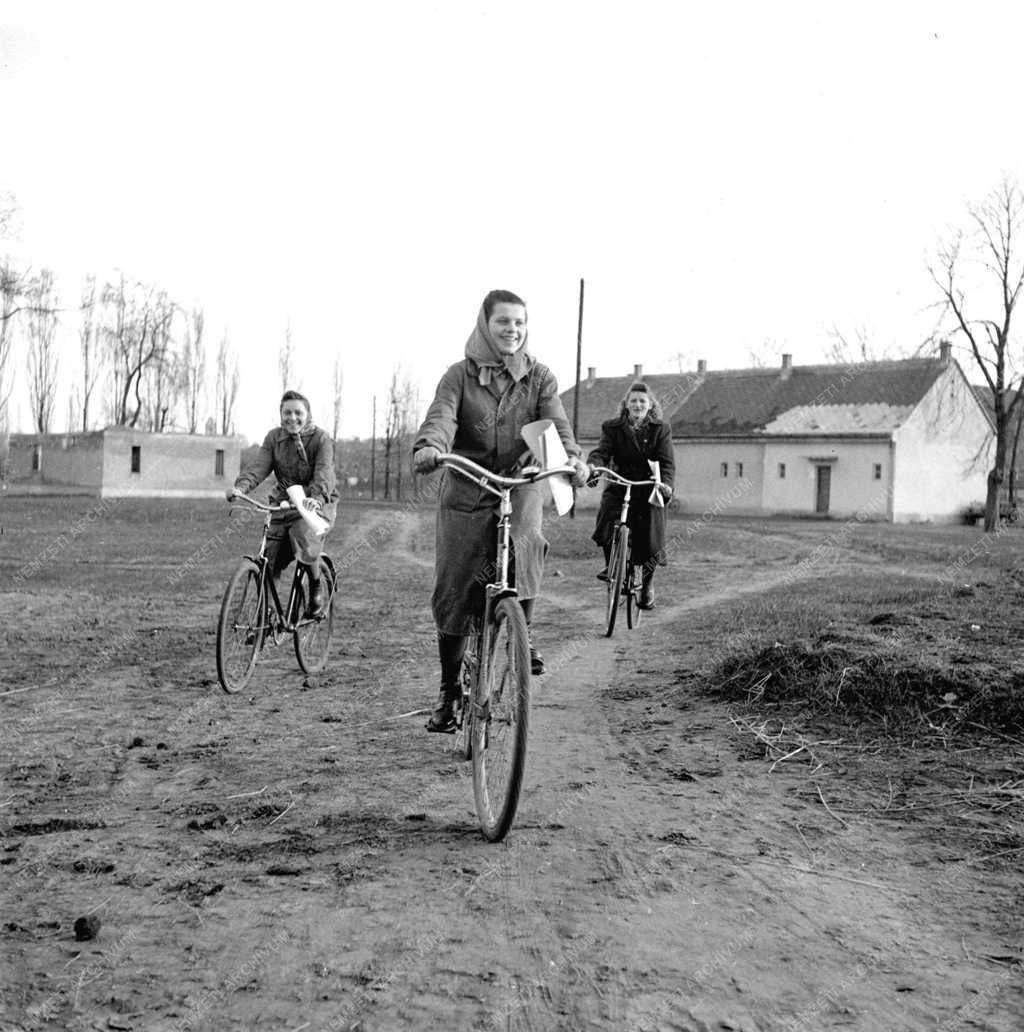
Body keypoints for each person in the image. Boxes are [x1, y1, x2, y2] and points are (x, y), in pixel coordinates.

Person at [413, 289, 590, 733]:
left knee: (528, 544)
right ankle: (450, 689)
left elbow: (557, 424)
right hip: (467, 486)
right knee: (455, 585)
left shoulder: (540, 377)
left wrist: (573, 459)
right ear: (484, 325)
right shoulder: (459, 376)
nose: (513, 331)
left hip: (520, 481)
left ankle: (521, 634)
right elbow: (443, 416)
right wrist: (432, 446)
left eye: (520, 323)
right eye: (503, 323)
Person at [226, 389, 338, 618]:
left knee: (304, 536)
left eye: (298, 412)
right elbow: (259, 467)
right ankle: (266, 615)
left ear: (308, 414)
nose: (292, 418)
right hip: (284, 501)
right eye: (287, 413)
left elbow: (324, 472)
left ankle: (316, 587)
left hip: (315, 502)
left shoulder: (321, 439)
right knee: (271, 557)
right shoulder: (274, 438)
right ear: (280, 414)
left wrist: (316, 499)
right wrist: (241, 487)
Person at [587, 381, 675, 610]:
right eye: (633, 400)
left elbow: (667, 463)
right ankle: (611, 566)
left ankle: (646, 584)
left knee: (651, 533)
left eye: (642, 401)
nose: (637, 404)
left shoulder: (660, 429)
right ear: (626, 404)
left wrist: (665, 486)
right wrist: (594, 467)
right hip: (620, 483)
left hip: (647, 487)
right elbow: (601, 452)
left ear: (650, 405)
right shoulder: (612, 427)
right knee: (608, 517)